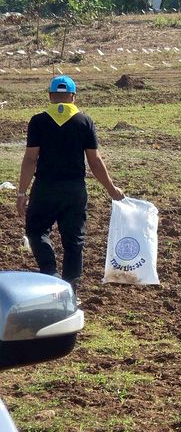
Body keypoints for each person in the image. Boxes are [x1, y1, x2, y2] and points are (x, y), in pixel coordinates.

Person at [15, 75, 124, 292]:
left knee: (37, 232)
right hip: (74, 190)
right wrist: (111, 188)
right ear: (73, 96)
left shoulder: (38, 121)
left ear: (50, 96)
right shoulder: (84, 121)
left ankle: (50, 273)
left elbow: (30, 159)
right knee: (74, 241)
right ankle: (70, 291)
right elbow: (94, 161)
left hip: (45, 188)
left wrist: (21, 193)